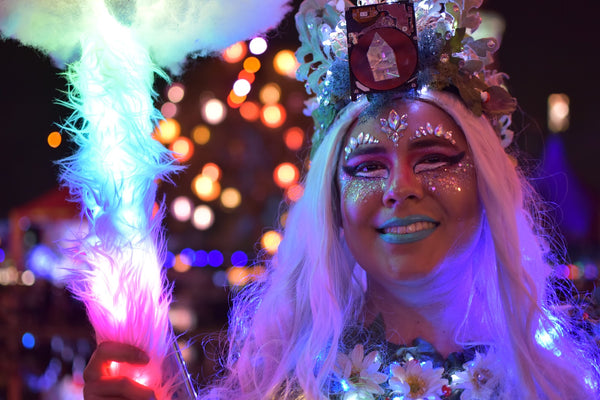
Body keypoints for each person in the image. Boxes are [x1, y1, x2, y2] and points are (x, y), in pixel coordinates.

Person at [82, 0, 600, 399]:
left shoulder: (555, 382)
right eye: (368, 167)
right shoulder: (279, 384)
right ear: (333, 206)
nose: (400, 187)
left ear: (486, 182)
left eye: (435, 158)